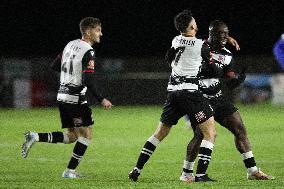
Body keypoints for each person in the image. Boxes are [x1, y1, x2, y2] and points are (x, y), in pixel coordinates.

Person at [128, 9, 219, 183]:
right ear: (192, 25)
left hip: (173, 93)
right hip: (191, 93)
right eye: (194, 21)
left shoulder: (176, 40)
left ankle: (137, 169)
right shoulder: (201, 46)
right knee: (210, 133)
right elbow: (212, 64)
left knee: (159, 134)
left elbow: (172, 54)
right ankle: (200, 175)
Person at [180, 20, 274, 183]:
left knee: (240, 129)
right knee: (200, 134)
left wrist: (237, 80)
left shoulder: (227, 55)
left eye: (226, 33)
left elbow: (228, 79)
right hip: (199, 98)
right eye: (220, 33)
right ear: (210, 34)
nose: (223, 36)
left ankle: (252, 170)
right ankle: (187, 173)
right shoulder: (198, 46)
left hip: (218, 97)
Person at [21, 17, 113, 178]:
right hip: (75, 98)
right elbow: (88, 80)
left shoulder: (70, 45)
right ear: (88, 31)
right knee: (87, 135)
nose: (101, 33)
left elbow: (55, 66)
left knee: (72, 136)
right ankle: (69, 171)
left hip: (62, 96)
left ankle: (34, 136)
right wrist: (101, 99)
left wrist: (69, 75)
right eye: (98, 30)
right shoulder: (88, 51)